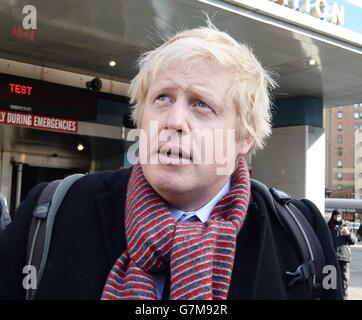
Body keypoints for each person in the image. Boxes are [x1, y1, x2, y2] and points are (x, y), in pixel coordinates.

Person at [0, 23, 342, 300]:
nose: (174, 120)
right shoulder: (52, 213)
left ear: (244, 138)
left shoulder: (300, 232)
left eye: (201, 104)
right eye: (162, 98)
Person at [328, 209, 356, 299]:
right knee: (331, 280)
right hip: (332, 257)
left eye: (339, 216)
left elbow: (353, 241)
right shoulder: (327, 226)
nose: (337, 217)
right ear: (332, 216)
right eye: (336, 215)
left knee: (344, 280)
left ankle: (344, 297)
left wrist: (348, 234)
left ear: (342, 216)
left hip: (344, 257)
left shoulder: (347, 225)